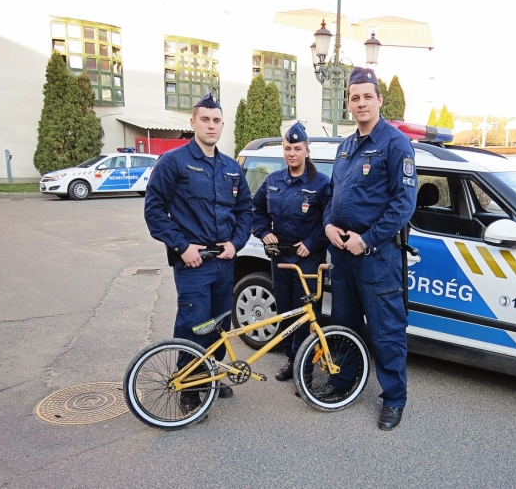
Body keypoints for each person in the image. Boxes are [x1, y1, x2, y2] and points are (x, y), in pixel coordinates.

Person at [144, 92, 252, 411]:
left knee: (220, 326)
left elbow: (245, 211)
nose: (211, 125)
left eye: (216, 120)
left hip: (224, 263)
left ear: (222, 125)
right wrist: (181, 246)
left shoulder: (231, 167)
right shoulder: (174, 162)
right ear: (193, 123)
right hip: (193, 264)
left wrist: (235, 243)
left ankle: (210, 375)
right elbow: (154, 210)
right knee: (194, 325)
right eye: (205, 119)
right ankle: (189, 387)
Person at [323, 67, 417, 431]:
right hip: (342, 254)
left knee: (386, 330)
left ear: (379, 99)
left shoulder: (395, 144)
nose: (361, 103)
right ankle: (343, 381)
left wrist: (366, 239)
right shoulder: (345, 147)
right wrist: (328, 226)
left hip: (376, 256)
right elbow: (332, 195)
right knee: (343, 324)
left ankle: (394, 399)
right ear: (348, 104)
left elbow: (403, 204)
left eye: (367, 96)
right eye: (354, 97)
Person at [252, 122, 331, 382]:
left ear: (307, 151)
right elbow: (255, 210)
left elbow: (330, 220)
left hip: (307, 260)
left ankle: (304, 368)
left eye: (297, 148)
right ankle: (291, 359)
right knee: (285, 313)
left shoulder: (321, 184)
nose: (292, 153)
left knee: (305, 315)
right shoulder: (273, 181)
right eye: (287, 148)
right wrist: (264, 232)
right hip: (280, 259)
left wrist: (313, 242)